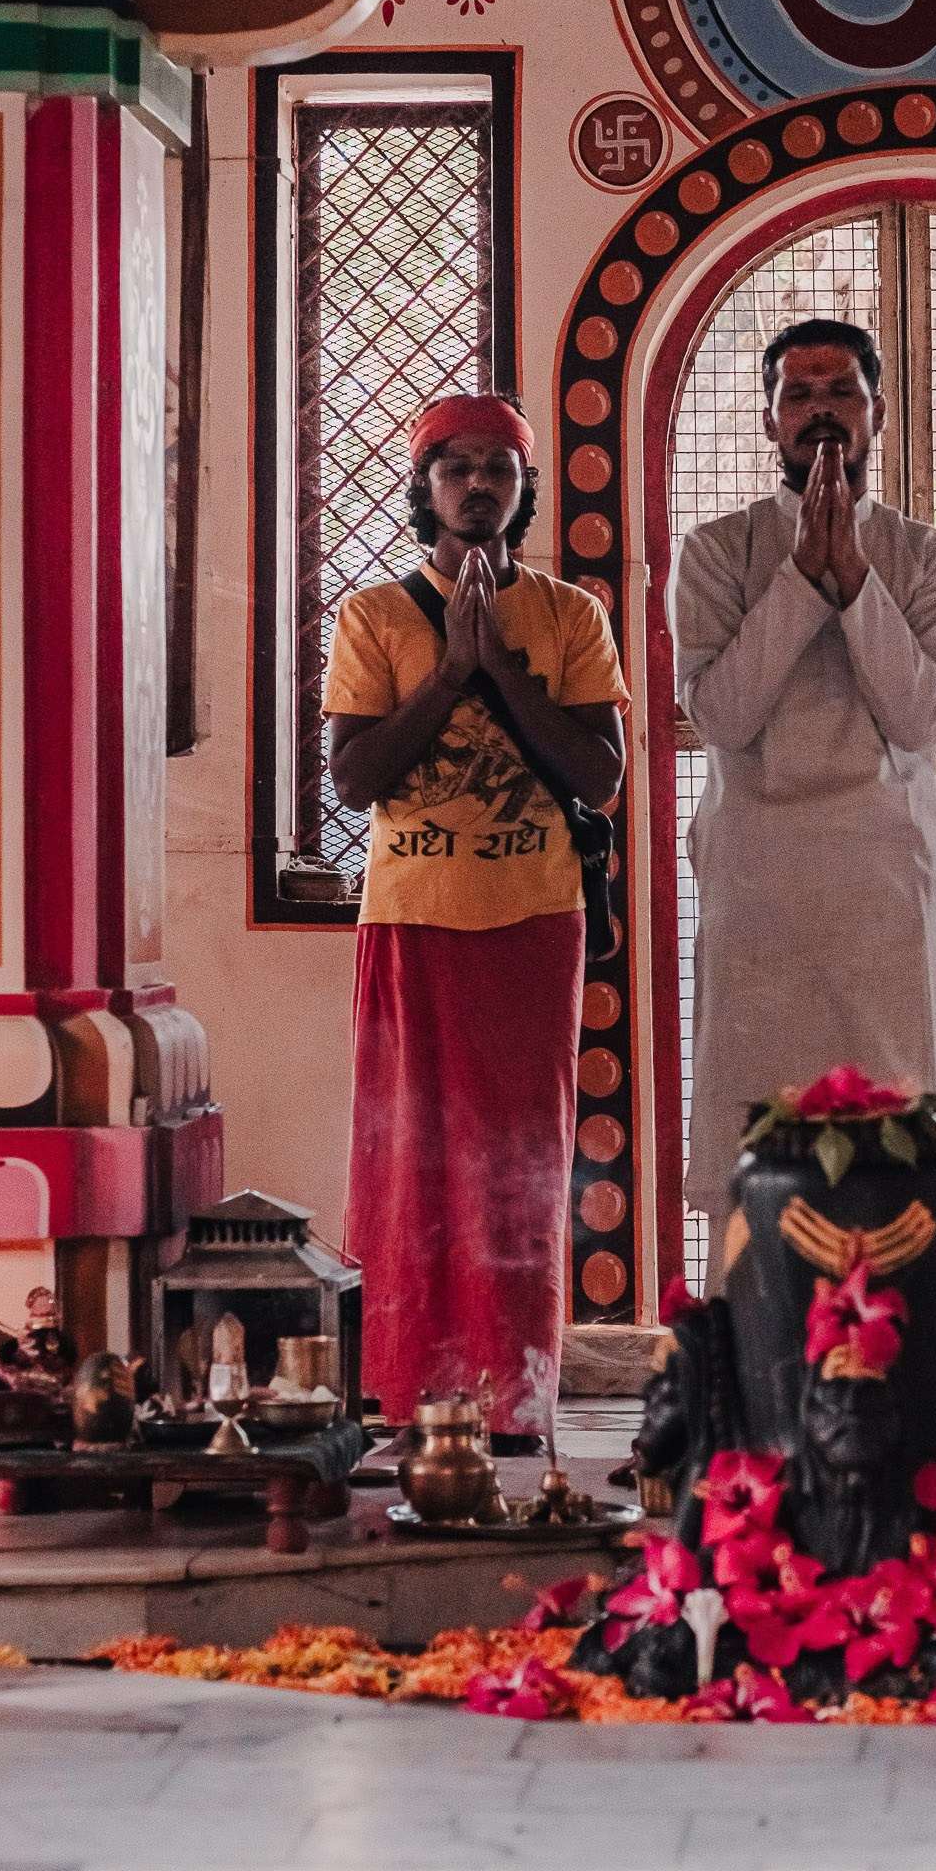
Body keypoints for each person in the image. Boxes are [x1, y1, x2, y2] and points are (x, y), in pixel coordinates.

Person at [324, 392, 627, 1436]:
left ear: (523, 489)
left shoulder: (569, 615)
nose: (479, 482)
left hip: (534, 923)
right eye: (456, 466)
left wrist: (500, 665)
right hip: (411, 922)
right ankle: (403, 1393)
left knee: (523, 1167)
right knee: (408, 1164)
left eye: (499, 466)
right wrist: (449, 670)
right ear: (424, 489)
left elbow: (599, 774)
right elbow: (356, 780)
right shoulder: (372, 617)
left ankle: (513, 1398)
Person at [672, 319, 936, 1247]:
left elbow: (918, 720)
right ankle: (758, 1353)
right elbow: (721, 717)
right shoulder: (717, 552)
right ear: (768, 421)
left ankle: (907, 1336)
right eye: (798, 396)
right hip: (760, 884)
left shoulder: (930, 557)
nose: (821, 414)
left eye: (840, 392)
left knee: (896, 1116)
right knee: (762, 1130)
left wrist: (853, 581)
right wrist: (803, 579)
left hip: (885, 884)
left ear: (877, 411)